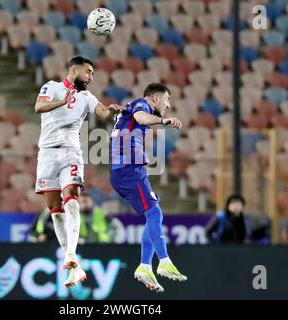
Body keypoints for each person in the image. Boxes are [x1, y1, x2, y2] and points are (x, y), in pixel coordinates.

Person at [34, 56, 122, 288]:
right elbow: (39, 107)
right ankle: (73, 264)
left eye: (92, 73)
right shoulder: (51, 87)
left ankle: (71, 255)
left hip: (71, 152)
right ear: (74, 70)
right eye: (88, 72)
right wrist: (61, 102)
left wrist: (114, 112)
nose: (91, 77)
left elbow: (102, 112)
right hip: (47, 154)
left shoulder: (86, 96)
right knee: (54, 208)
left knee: (71, 198)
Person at [109, 83, 187, 293]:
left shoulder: (131, 106)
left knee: (153, 214)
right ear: (155, 98)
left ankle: (145, 266)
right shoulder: (141, 104)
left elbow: (131, 118)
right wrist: (163, 121)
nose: (168, 105)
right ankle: (163, 261)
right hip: (128, 169)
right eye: (167, 100)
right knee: (154, 212)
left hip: (127, 171)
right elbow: (142, 117)